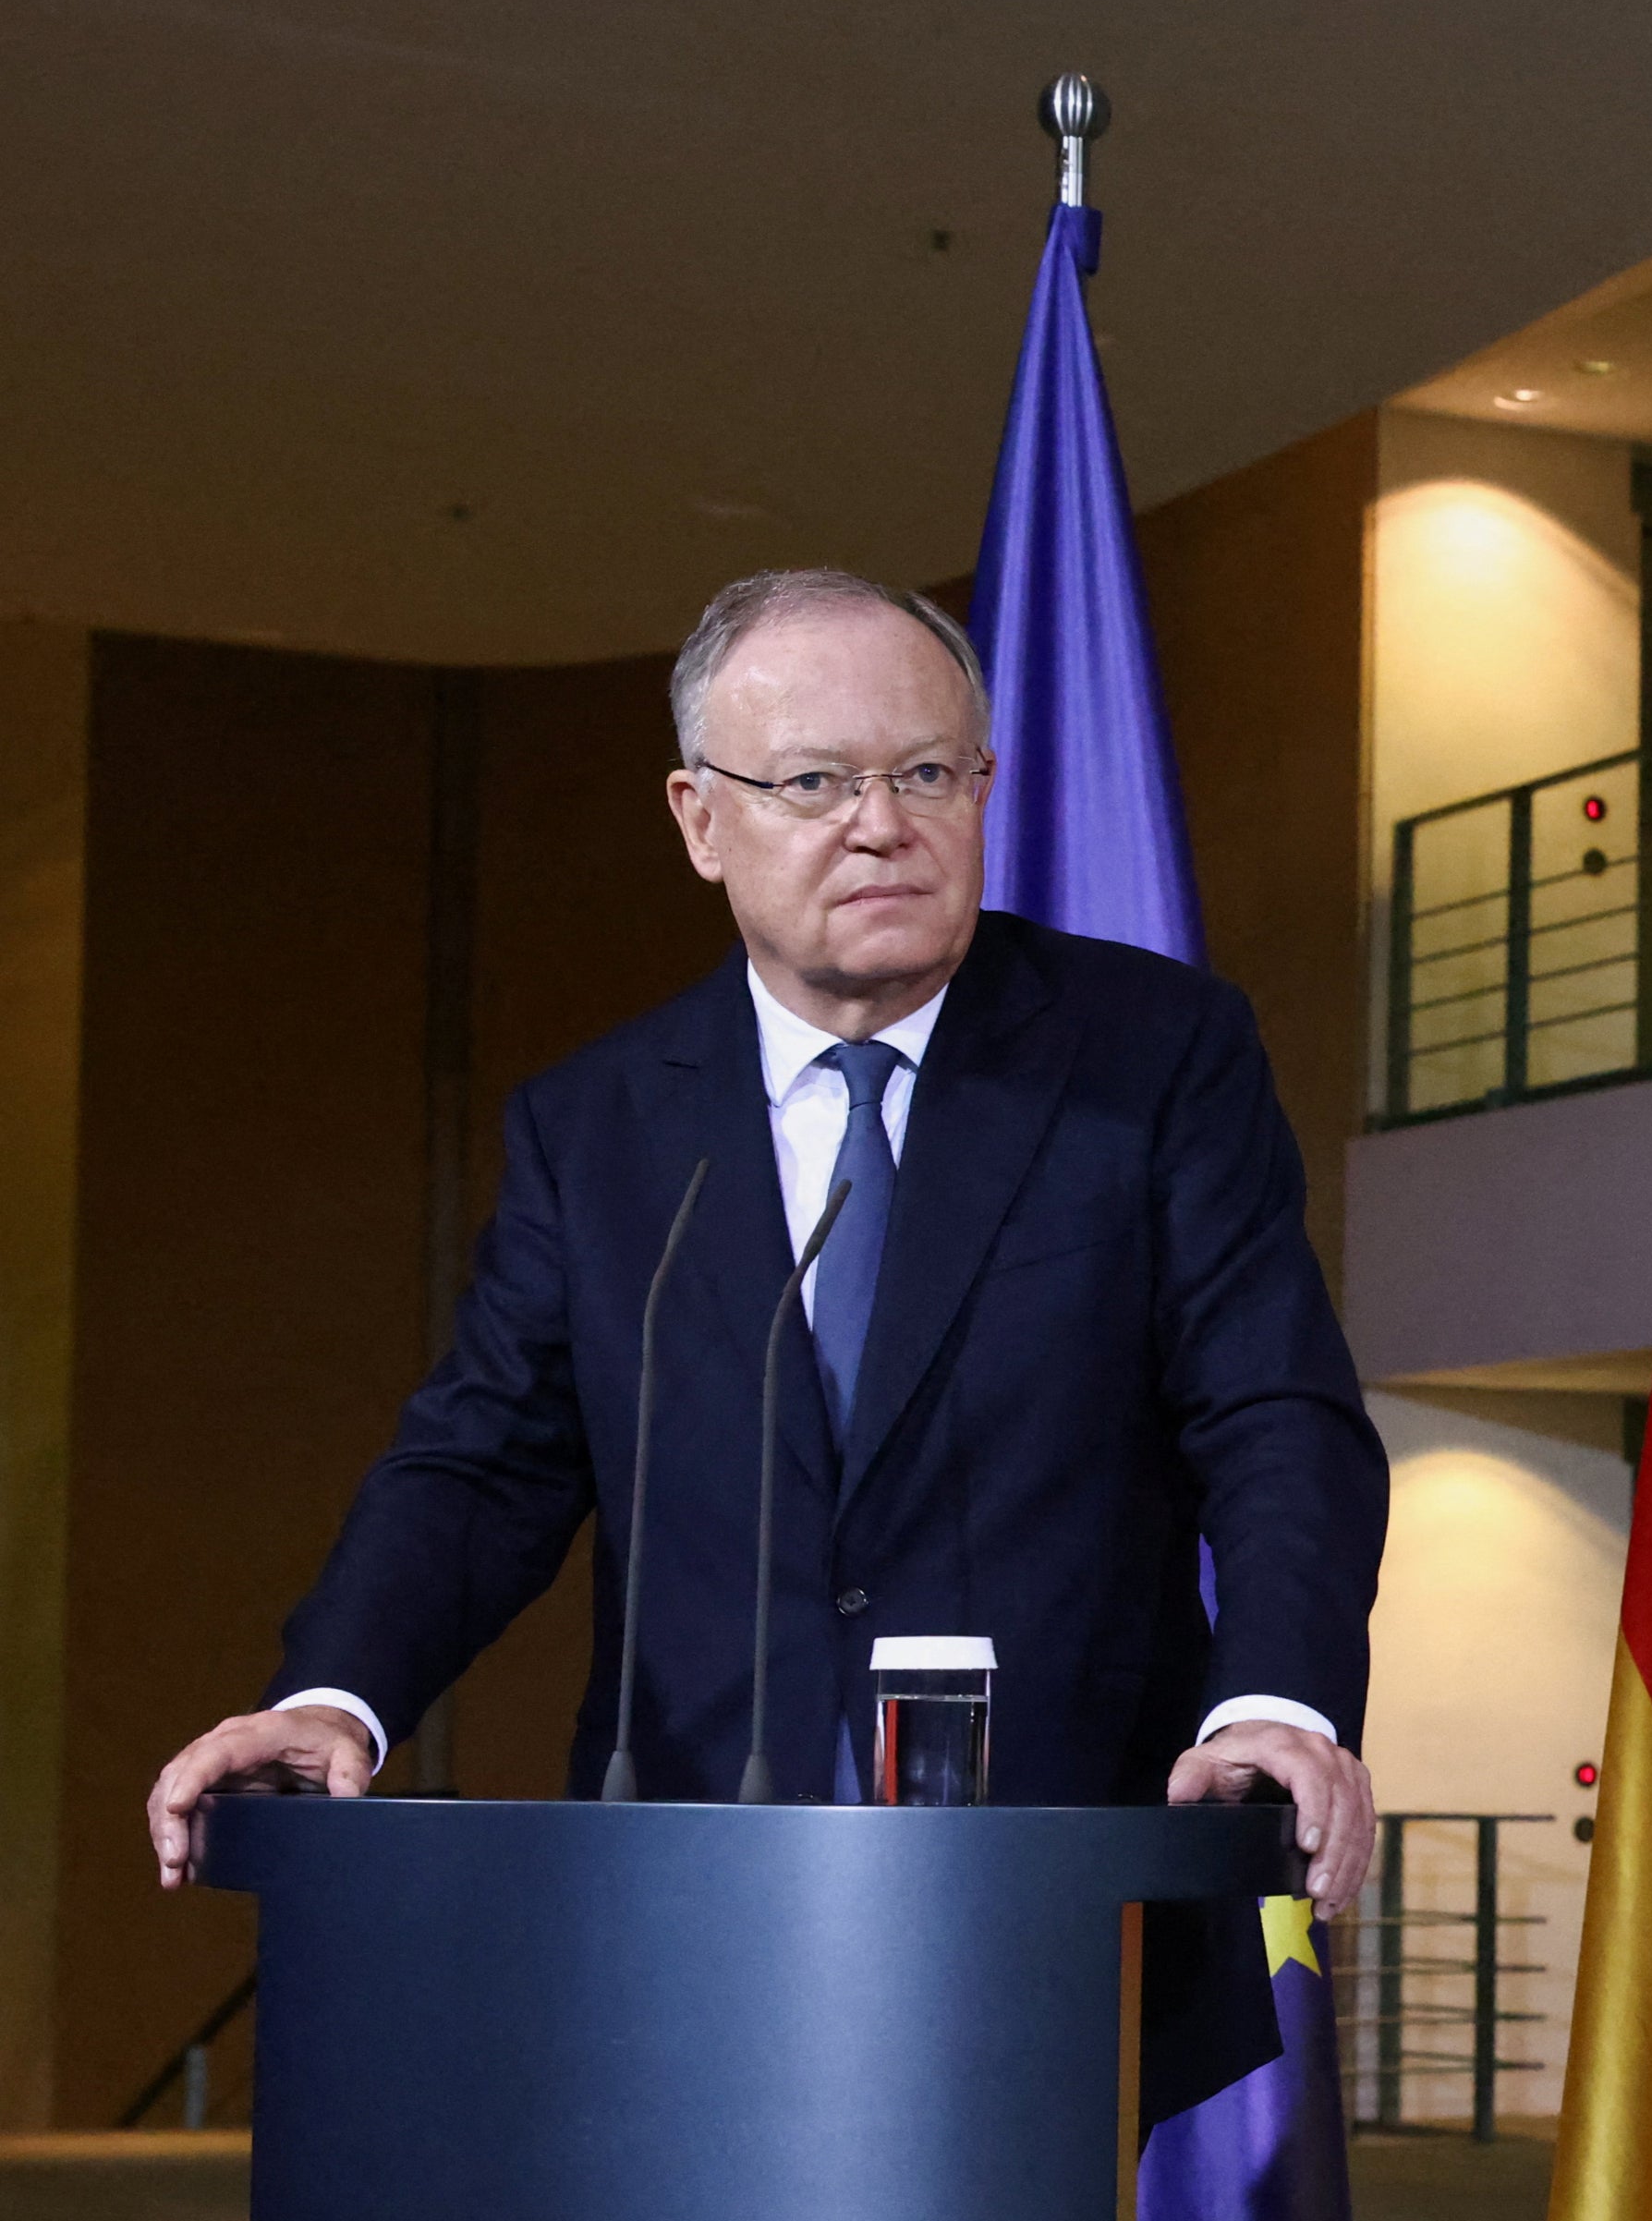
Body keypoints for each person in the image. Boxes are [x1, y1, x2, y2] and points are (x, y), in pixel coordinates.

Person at [145, 567, 1386, 1913]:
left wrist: (1274, 1705)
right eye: (814, 785)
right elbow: (483, 1461)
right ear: (701, 819)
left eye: (926, 774)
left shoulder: (1153, 1057)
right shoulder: (602, 1126)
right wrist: (336, 1697)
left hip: (1065, 1872)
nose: (880, 828)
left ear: (983, 789)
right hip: (694, 1870)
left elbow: (1271, 1411)